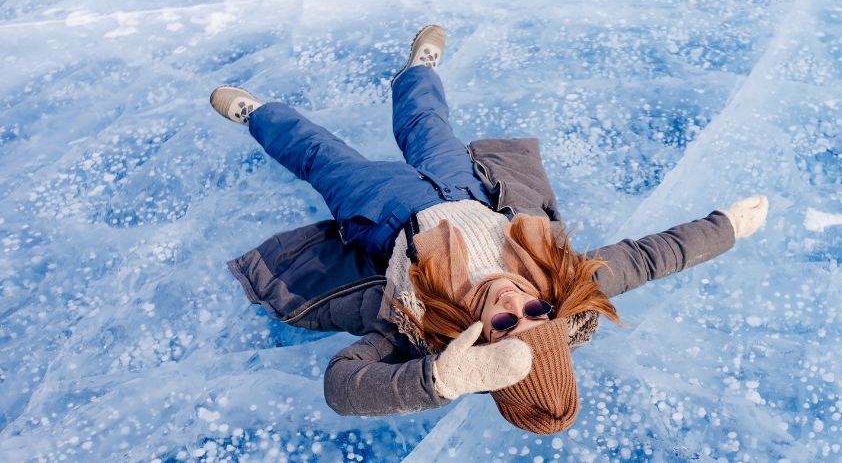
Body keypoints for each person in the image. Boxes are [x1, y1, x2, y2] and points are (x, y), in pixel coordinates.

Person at [213, 25, 769, 435]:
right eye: (535, 313)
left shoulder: (420, 328)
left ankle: (257, 115)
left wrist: (439, 379)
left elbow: (342, 386)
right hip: (469, 190)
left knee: (321, 156)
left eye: (503, 323)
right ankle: (418, 70)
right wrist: (725, 228)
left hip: (384, 213)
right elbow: (651, 258)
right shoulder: (561, 282)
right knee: (426, 124)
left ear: (476, 344)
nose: (514, 302)